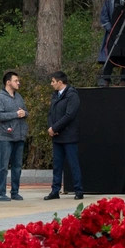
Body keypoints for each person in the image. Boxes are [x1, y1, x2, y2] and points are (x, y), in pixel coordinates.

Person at [44, 71, 84, 200]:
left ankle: (78, 190)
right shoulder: (55, 95)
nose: (51, 84)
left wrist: (55, 127)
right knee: (57, 165)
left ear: (60, 82)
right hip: (57, 136)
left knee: (73, 164)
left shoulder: (72, 95)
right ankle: (55, 190)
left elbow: (69, 115)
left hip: (69, 135)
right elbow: (51, 113)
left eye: (53, 81)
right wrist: (51, 128)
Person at [0, 71, 29, 201]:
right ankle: (0, 193)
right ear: (8, 82)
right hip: (5, 137)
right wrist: (15, 114)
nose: (18, 82)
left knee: (17, 166)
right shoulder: (0, 98)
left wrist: (24, 113)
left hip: (19, 136)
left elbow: (26, 112)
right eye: (16, 80)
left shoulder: (19, 97)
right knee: (3, 166)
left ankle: (15, 191)